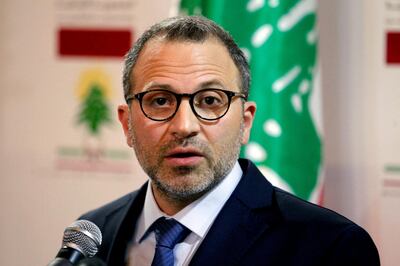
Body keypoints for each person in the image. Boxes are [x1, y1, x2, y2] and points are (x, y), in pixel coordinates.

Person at [79, 16, 380, 266]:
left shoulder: (330, 247)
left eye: (210, 100)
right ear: (126, 124)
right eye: (160, 101)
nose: (184, 126)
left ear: (245, 122)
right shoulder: (93, 235)